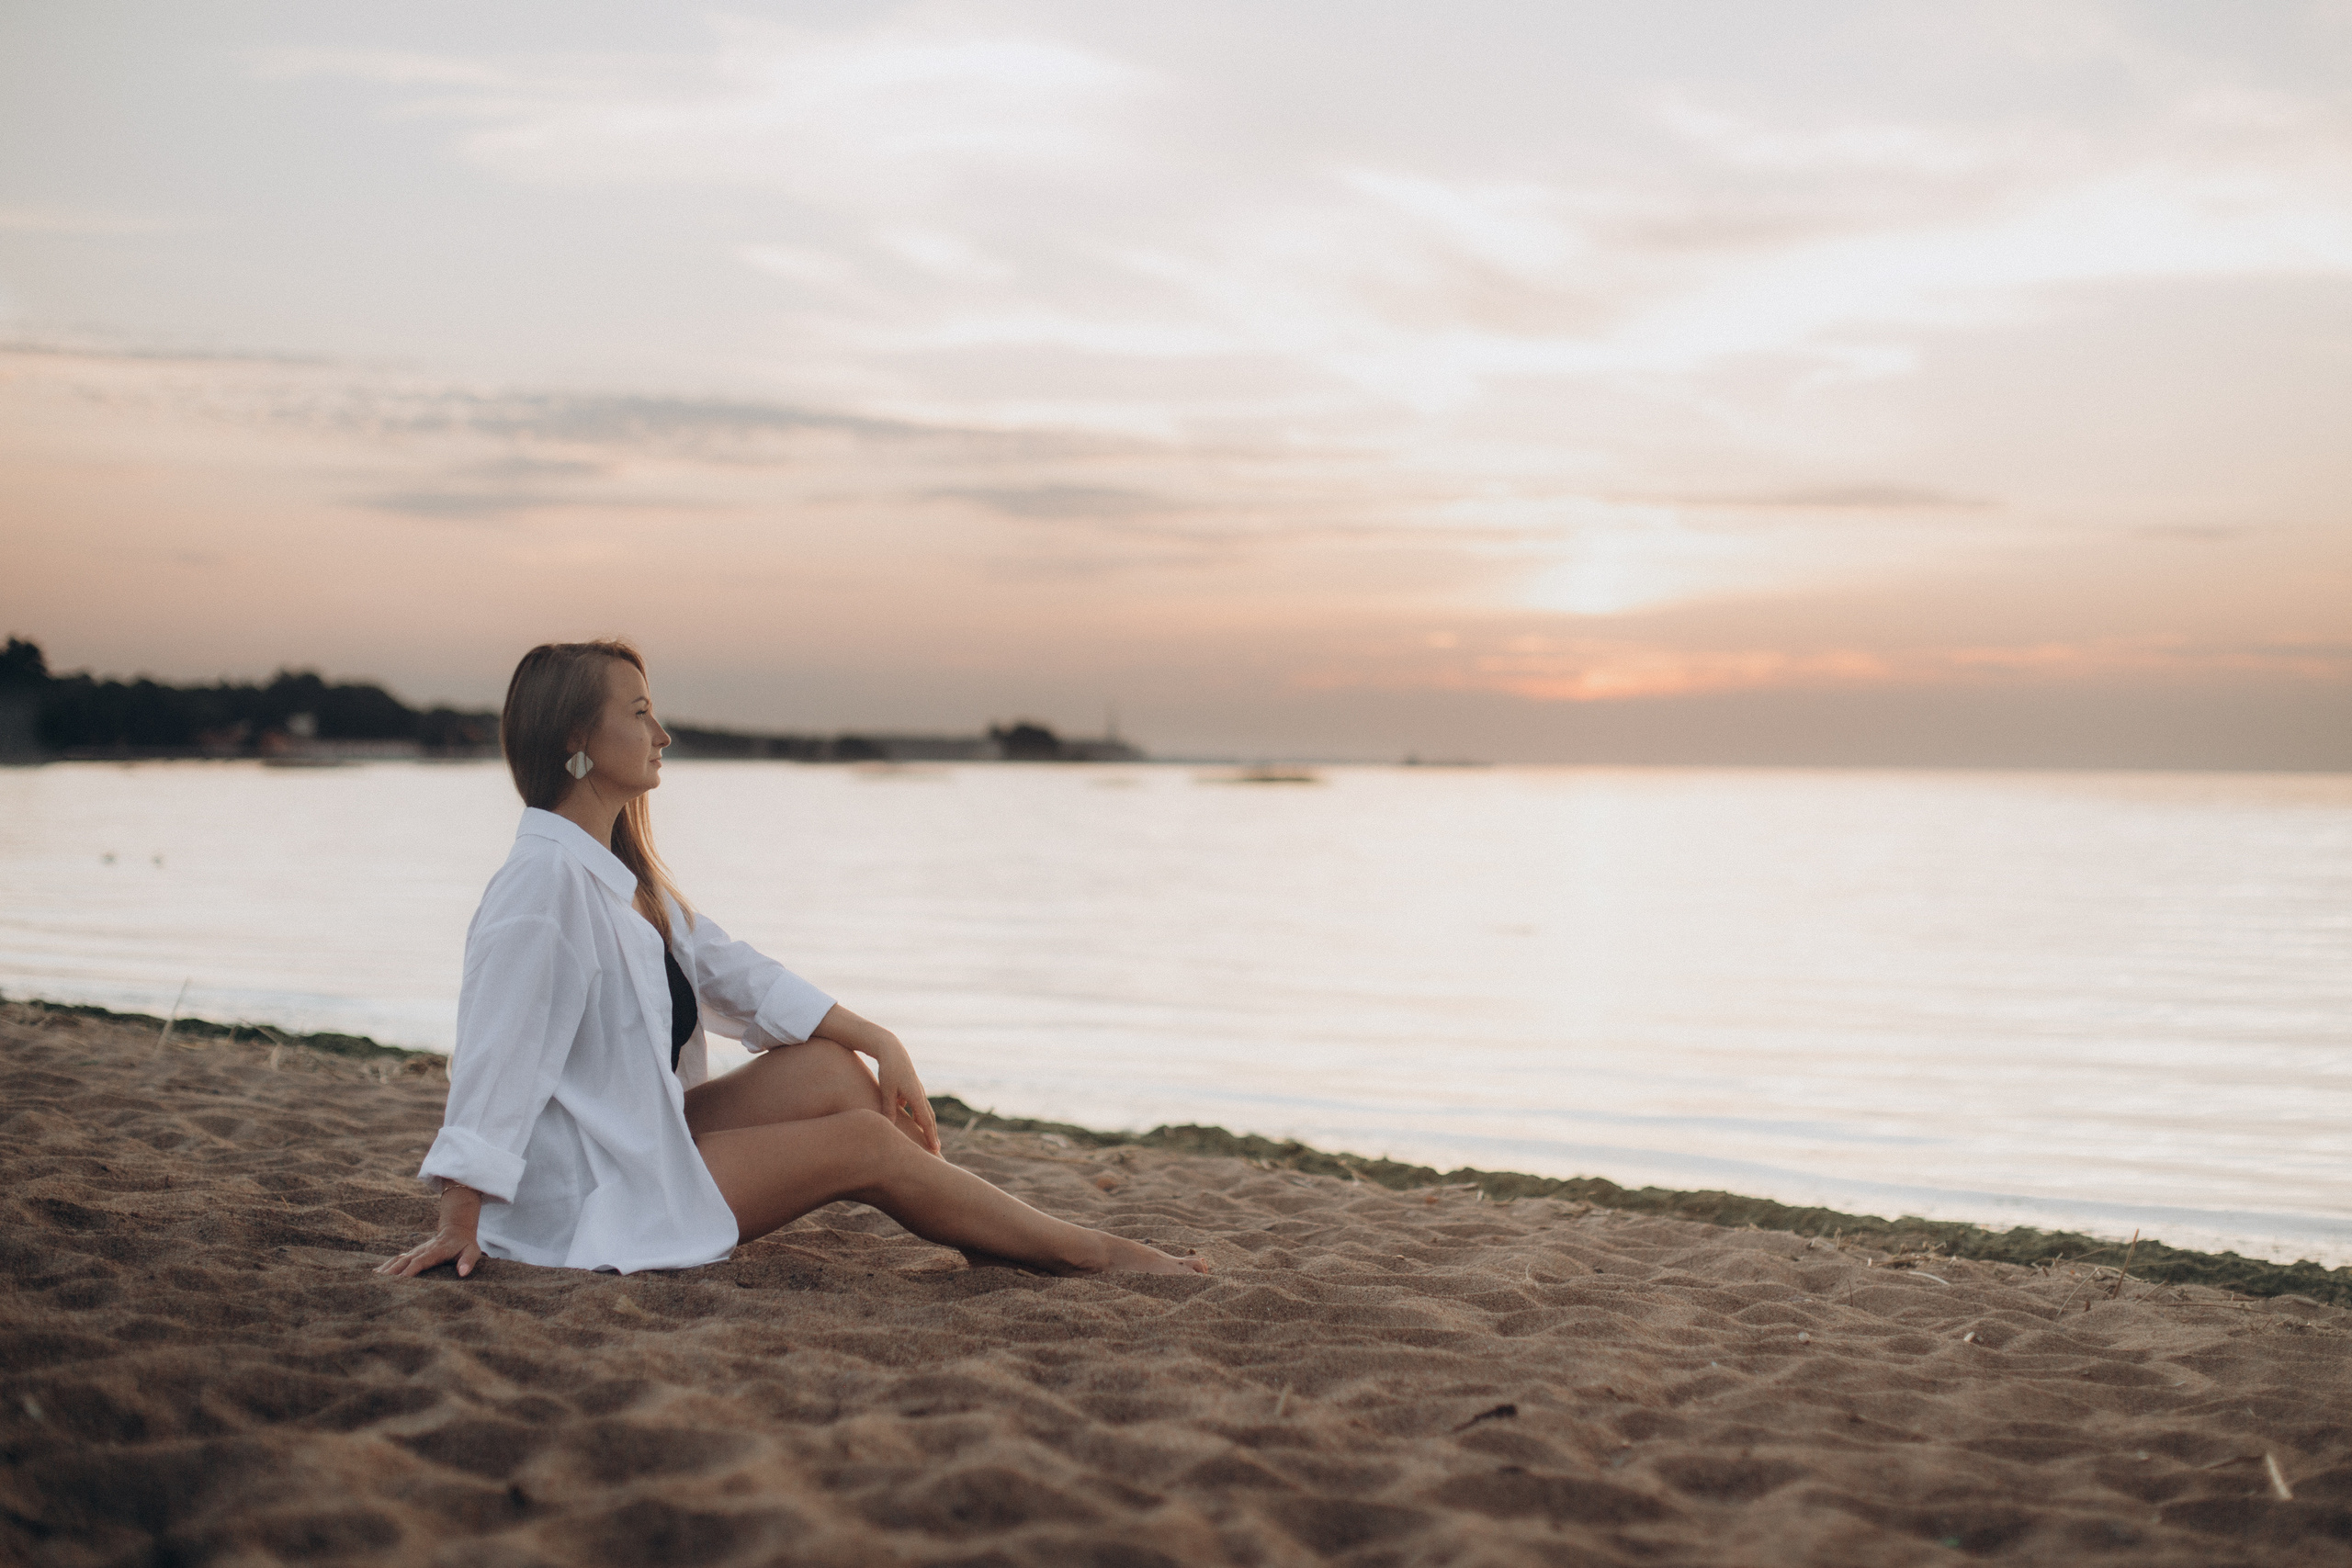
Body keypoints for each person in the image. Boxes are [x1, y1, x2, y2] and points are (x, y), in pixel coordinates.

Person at [378, 639, 1207, 1280]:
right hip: (595, 1200)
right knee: (867, 1145)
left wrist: (878, 1037)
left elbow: (735, 973)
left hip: (638, 1141)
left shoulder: (618, 876)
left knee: (836, 1072)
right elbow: (497, 1050)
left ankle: (984, 1231)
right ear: (577, 739)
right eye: (639, 714)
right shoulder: (542, 883)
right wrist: (461, 1215)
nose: (661, 734)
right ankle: (1088, 1252)